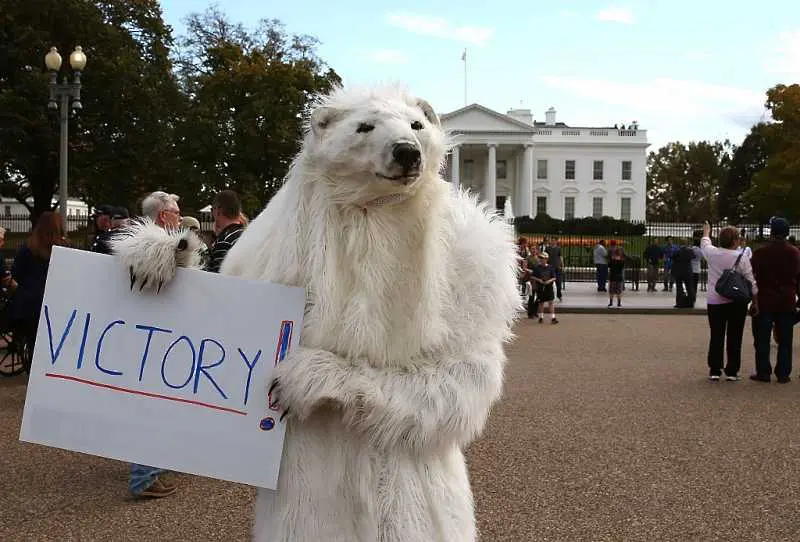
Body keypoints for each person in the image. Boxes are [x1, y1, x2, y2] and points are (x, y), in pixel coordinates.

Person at [6, 212, 70, 357]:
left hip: (30, 305)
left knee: (33, 344)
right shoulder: (66, 247)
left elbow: (16, 274)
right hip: (57, 302)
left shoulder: (27, 248)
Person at [700, 222, 757, 381]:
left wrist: (706, 232)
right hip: (736, 300)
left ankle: (715, 369)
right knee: (735, 335)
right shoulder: (741, 257)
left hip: (715, 300)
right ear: (735, 241)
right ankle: (732, 370)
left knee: (716, 335)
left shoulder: (712, 254)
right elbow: (751, 280)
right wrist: (755, 300)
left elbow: (705, 243)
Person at [749, 217, 800, 383]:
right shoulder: (795, 253)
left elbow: (752, 277)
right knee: (785, 340)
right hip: (786, 300)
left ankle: (763, 371)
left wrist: (753, 299)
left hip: (765, 300)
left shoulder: (760, 253)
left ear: (771, 232)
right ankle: (783, 373)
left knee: (762, 339)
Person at [206, 190, 246, 273]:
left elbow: (217, 280)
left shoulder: (224, 241)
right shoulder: (247, 235)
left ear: (218, 211)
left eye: (212, 209)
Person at [530, 252, 558, 324]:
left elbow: (554, 277)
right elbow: (532, 276)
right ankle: (541, 317)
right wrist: (539, 280)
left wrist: (549, 281)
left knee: (551, 302)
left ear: (546, 259)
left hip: (548, 286)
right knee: (541, 302)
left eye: (543, 258)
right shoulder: (537, 267)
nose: (542, 260)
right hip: (540, 286)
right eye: (541, 258)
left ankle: (553, 317)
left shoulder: (550, 267)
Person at [607, 241, 625, 308]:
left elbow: (609, 266)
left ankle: (611, 303)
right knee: (619, 291)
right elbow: (622, 267)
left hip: (612, 276)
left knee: (611, 291)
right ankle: (619, 303)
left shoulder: (612, 260)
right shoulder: (621, 261)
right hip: (619, 277)